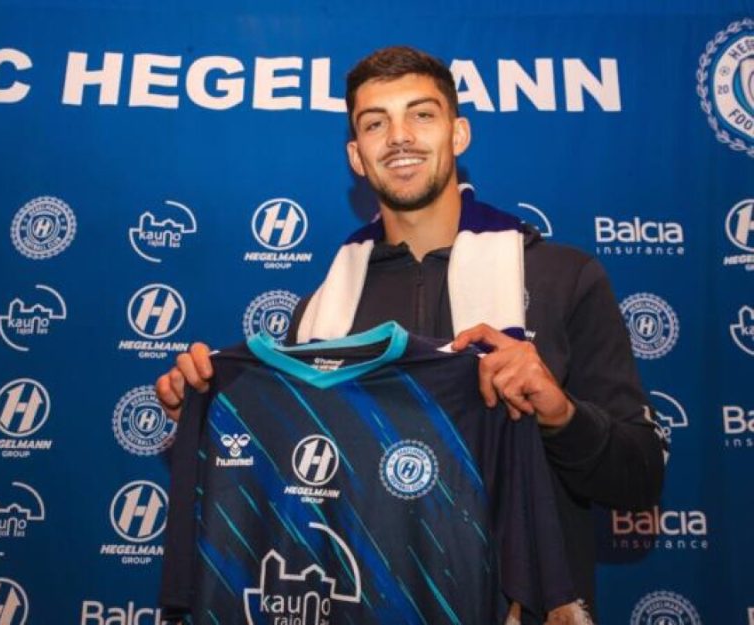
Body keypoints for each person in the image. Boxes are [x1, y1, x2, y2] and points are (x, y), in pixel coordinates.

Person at [156, 46, 665, 621]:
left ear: (458, 133)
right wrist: (207, 416)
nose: (399, 137)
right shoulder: (319, 315)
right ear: (356, 155)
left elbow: (640, 478)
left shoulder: (563, 278)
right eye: (375, 123)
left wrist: (561, 415)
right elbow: (287, 493)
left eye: (421, 114)